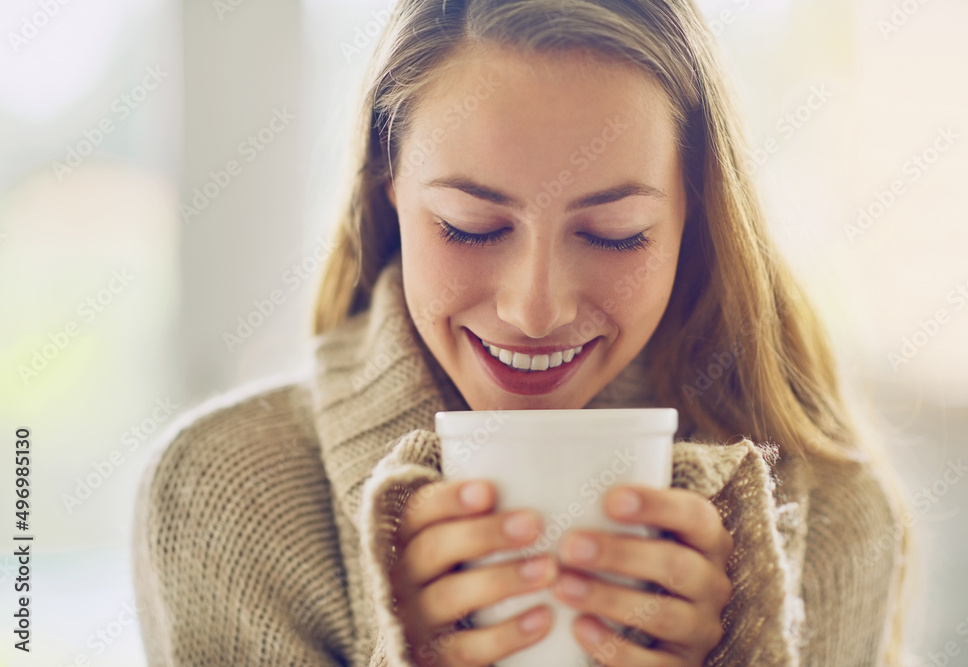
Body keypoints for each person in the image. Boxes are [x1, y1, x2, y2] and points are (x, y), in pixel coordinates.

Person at [131, 0, 917, 665]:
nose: (534, 310)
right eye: (469, 227)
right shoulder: (220, 495)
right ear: (389, 186)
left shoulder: (831, 514)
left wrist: (742, 647)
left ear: (695, 216)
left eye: (615, 233)